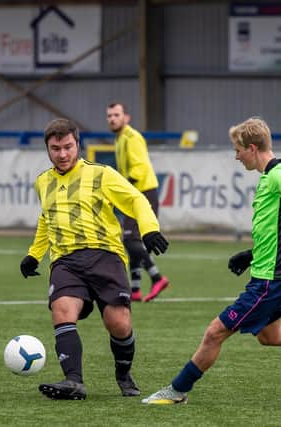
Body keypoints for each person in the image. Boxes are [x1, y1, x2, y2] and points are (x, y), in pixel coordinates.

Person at [141, 117, 281, 405]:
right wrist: (251, 254)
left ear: (252, 148)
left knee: (215, 332)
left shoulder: (279, 174)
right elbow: (274, 230)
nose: (236, 155)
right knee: (271, 336)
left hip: (270, 281)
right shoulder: (269, 177)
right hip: (270, 273)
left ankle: (177, 390)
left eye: (238, 149)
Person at [20, 118, 169, 400]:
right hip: (65, 261)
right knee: (62, 311)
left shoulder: (102, 174)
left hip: (105, 256)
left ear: (78, 145)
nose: (62, 154)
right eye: (55, 149)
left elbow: (137, 199)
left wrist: (149, 230)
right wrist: (33, 254)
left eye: (67, 147)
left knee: (119, 323)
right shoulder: (42, 182)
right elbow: (46, 219)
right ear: (47, 150)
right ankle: (73, 381)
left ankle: (123, 374)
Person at [106, 102, 169, 302]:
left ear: (126, 117)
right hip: (135, 193)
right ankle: (135, 289)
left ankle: (157, 277)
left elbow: (139, 169)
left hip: (142, 193)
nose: (112, 119)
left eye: (116, 115)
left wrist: (122, 190)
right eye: (109, 116)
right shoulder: (120, 139)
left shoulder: (132, 137)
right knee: (133, 240)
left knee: (130, 239)